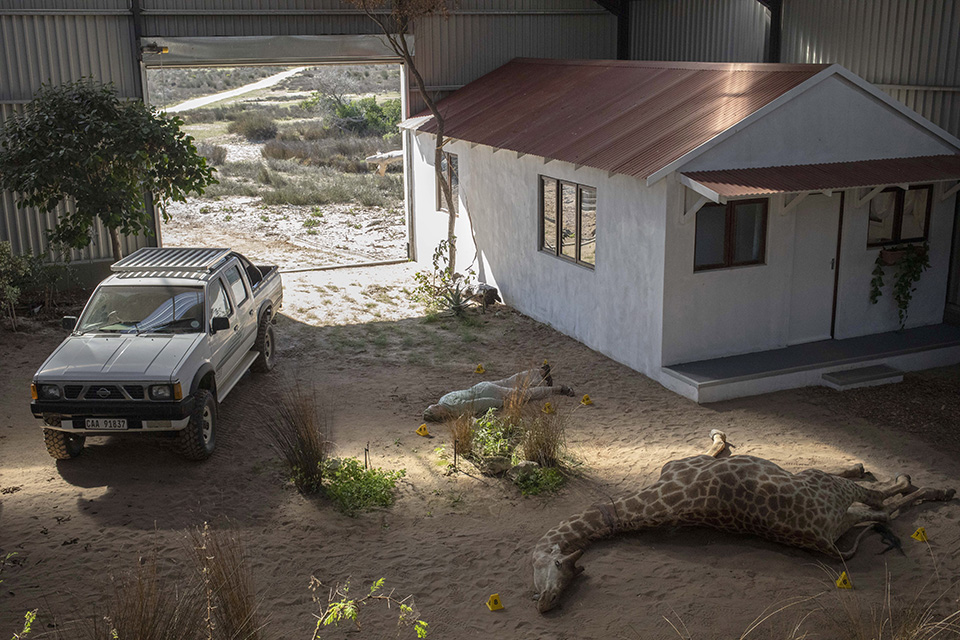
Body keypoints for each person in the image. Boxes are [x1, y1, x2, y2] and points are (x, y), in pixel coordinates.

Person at [423, 364, 575, 422]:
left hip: (491, 394)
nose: (437, 407)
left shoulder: (455, 408)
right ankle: (541, 372)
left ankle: (559, 389)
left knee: (525, 394)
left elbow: (480, 403)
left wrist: (501, 404)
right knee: (512, 380)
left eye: (436, 409)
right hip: (482, 386)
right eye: (435, 408)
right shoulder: (444, 399)